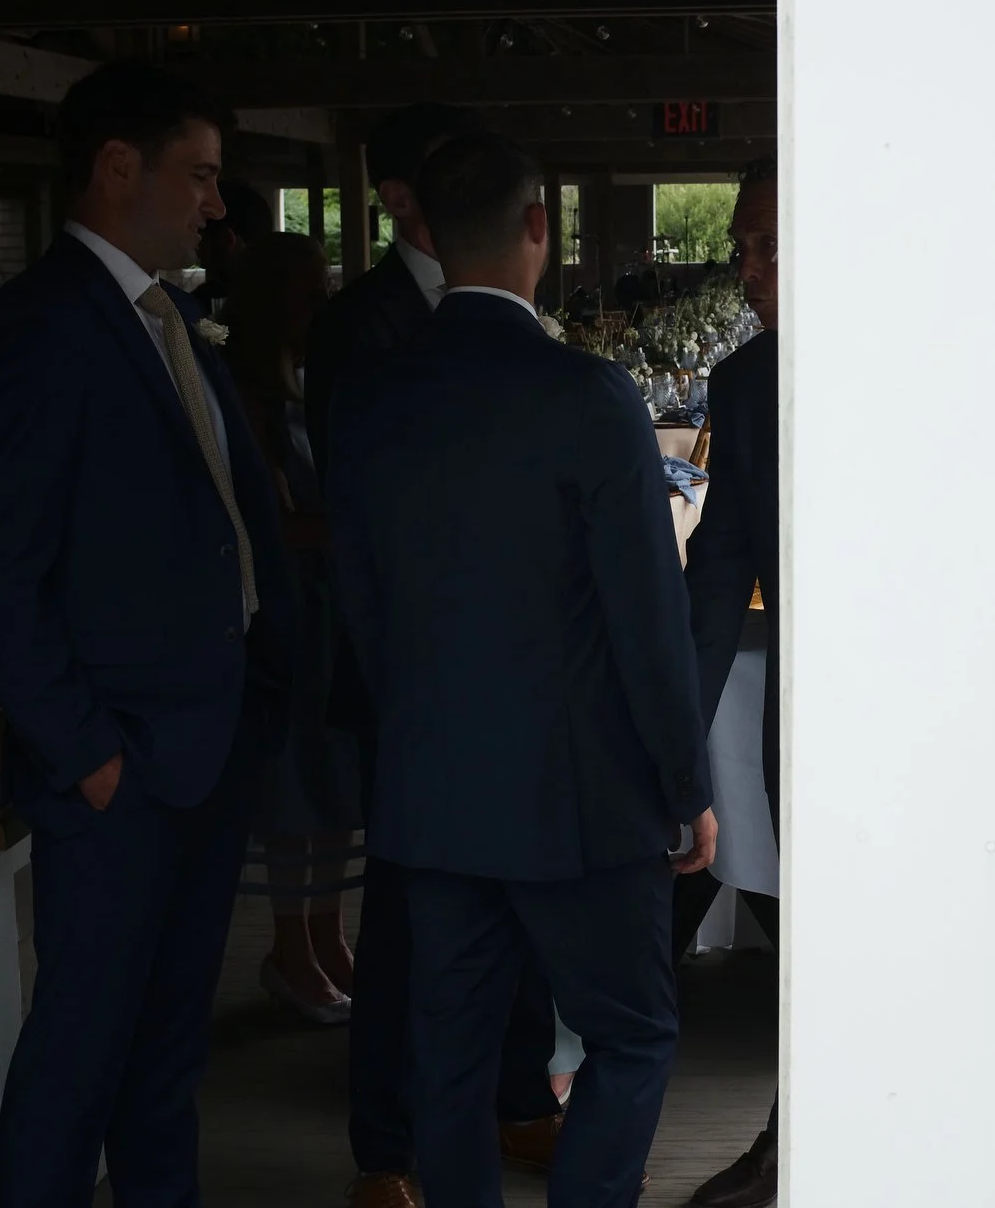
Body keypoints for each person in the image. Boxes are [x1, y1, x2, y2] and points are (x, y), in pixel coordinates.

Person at [330, 131, 717, 1208]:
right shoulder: (586, 396)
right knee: (633, 1034)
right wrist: (685, 785)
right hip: (581, 798)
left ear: (429, 238)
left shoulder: (370, 402)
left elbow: (358, 607)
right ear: (537, 227)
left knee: (446, 1059)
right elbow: (648, 618)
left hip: (430, 790)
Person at [0, 61, 292, 1208]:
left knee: (165, 1057)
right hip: (121, 764)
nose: (214, 204)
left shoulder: (166, 311)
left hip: (206, 742)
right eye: (198, 175)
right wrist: (85, 751)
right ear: (115, 168)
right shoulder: (45, 323)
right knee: (80, 1056)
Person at [303, 105, 566, 1206]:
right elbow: (347, 524)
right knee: (409, 921)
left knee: (515, 901)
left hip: (510, 678)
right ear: (402, 196)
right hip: (411, 679)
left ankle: (517, 1098)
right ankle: (386, 1147)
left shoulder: (522, 321)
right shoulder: (359, 324)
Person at [220, 231, 364, 1025]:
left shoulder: (307, 383)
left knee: (332, 776)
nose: (324, 308)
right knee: (293, 786)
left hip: (327, 605)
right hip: (285, 610)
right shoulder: (248, 395)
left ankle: (326, 932)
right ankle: (288, 945)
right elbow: (268, 524)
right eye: (312, 295)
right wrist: (366, 522)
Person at [677, 158, 782, 1208]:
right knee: (796, 934)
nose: (746, 268)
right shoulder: (747, 383)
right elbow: (718, 571)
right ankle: (790, 1137)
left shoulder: (929, 369)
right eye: (742, 245)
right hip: (798, 713)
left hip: (928, 722)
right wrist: (674, 740)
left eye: (768, 246)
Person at [194, 178, 273, 307]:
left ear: (227, 238)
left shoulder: (204, 302)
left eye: (199, 235)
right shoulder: (289, 296)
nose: (195, 245)